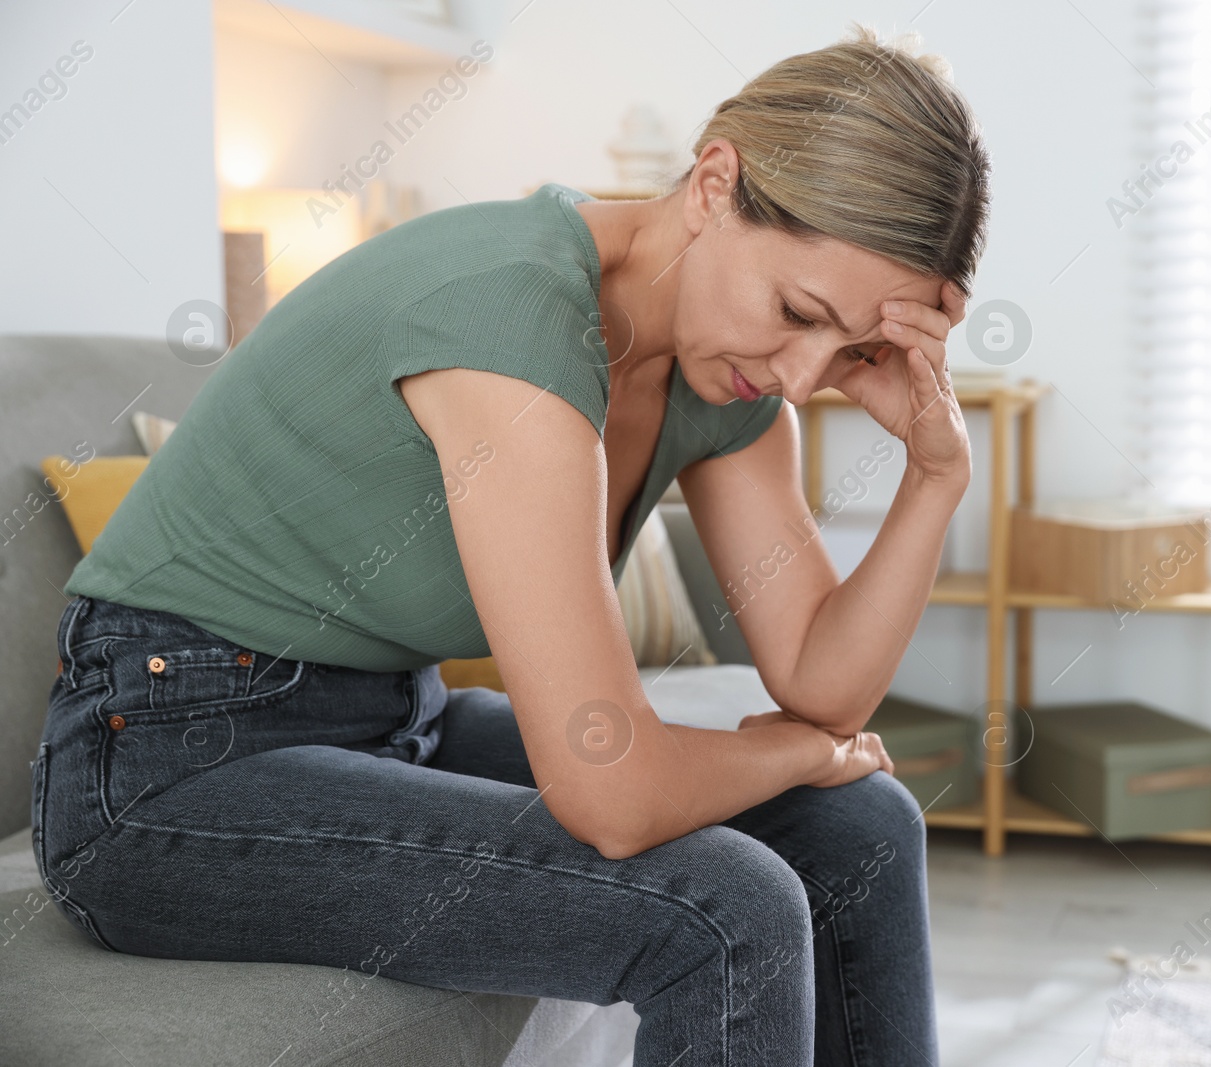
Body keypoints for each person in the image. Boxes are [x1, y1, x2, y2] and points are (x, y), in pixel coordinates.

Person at [30, 20, 989, 1065]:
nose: (806, 374)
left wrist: (937, 474)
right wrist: (789, 747)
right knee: (725, 906)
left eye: (847, 344)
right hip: (167, 764)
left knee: (863, 825)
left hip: (390, 721)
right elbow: (614, 793)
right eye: (797, 311)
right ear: (715, 183)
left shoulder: (728, 381)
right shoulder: (509, 322)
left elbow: (821, 679)